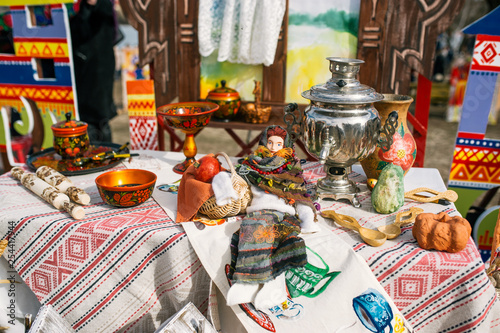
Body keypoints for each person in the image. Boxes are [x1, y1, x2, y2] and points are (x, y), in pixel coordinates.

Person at [226, 125, 319, 311]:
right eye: (270, 142)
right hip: (257, 210)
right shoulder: (253, 166)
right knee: (248, 228)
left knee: (264, 229)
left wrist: (307, 220)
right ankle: (254, 283)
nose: (274, 146)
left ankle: (260, 283)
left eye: (278, 143)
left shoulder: (291, 170)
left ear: (286, 145)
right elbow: (236, 180)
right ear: (264, 143)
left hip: (283, 214)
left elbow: (300, 195)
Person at [69, 0, 119, 143]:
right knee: (90, 116)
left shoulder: (103, 7)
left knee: (98, 116)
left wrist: (89, 7)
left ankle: (103, 151)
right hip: (85, 65)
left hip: (97, 66)